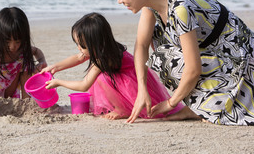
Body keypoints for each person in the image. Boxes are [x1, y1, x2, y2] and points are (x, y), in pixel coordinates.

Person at [105, 0, 254, 125]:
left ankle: (201, 108)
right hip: (215, 51)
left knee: (166, 58)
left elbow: (193, 69)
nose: (119, 0)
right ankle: (200, 105)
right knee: (157, 40)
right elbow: (141, 44)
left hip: (243, 59)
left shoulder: (180, 8)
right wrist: (142, 89)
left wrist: (170, 104)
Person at [41, 12, 195, 120]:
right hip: (128, 81)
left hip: (132, 86)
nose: (79, 49)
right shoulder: (104, 46)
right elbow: (78, 57)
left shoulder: (104, 58)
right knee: (101, 76)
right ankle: (120, 106)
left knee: (100, 78)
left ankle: (122, 110)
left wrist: (58, 82)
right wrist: (55, 67)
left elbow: (83, 85)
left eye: (81, 45)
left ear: (95, 44)